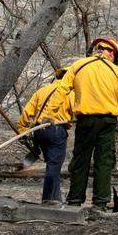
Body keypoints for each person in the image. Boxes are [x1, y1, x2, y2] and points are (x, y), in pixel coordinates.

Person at [55, 36, 118, 212]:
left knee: (80, 160)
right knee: (104, 162)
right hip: (108, 123)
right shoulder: (116, 72)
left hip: (85, 121)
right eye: (116, 58)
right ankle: (100, 204)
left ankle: (74, 202)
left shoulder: (79, 65)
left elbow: (61, 91)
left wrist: (50, 115)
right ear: (111, 52)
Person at [16, 61, 75, 204]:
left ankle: (55, 199)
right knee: (54, 166)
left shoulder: (41, 91)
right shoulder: (69, 94)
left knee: (51, 165)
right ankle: (48, 199)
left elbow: (25, 116)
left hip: (38, 132)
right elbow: (78, 111)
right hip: (56, 130)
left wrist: (23, 132)